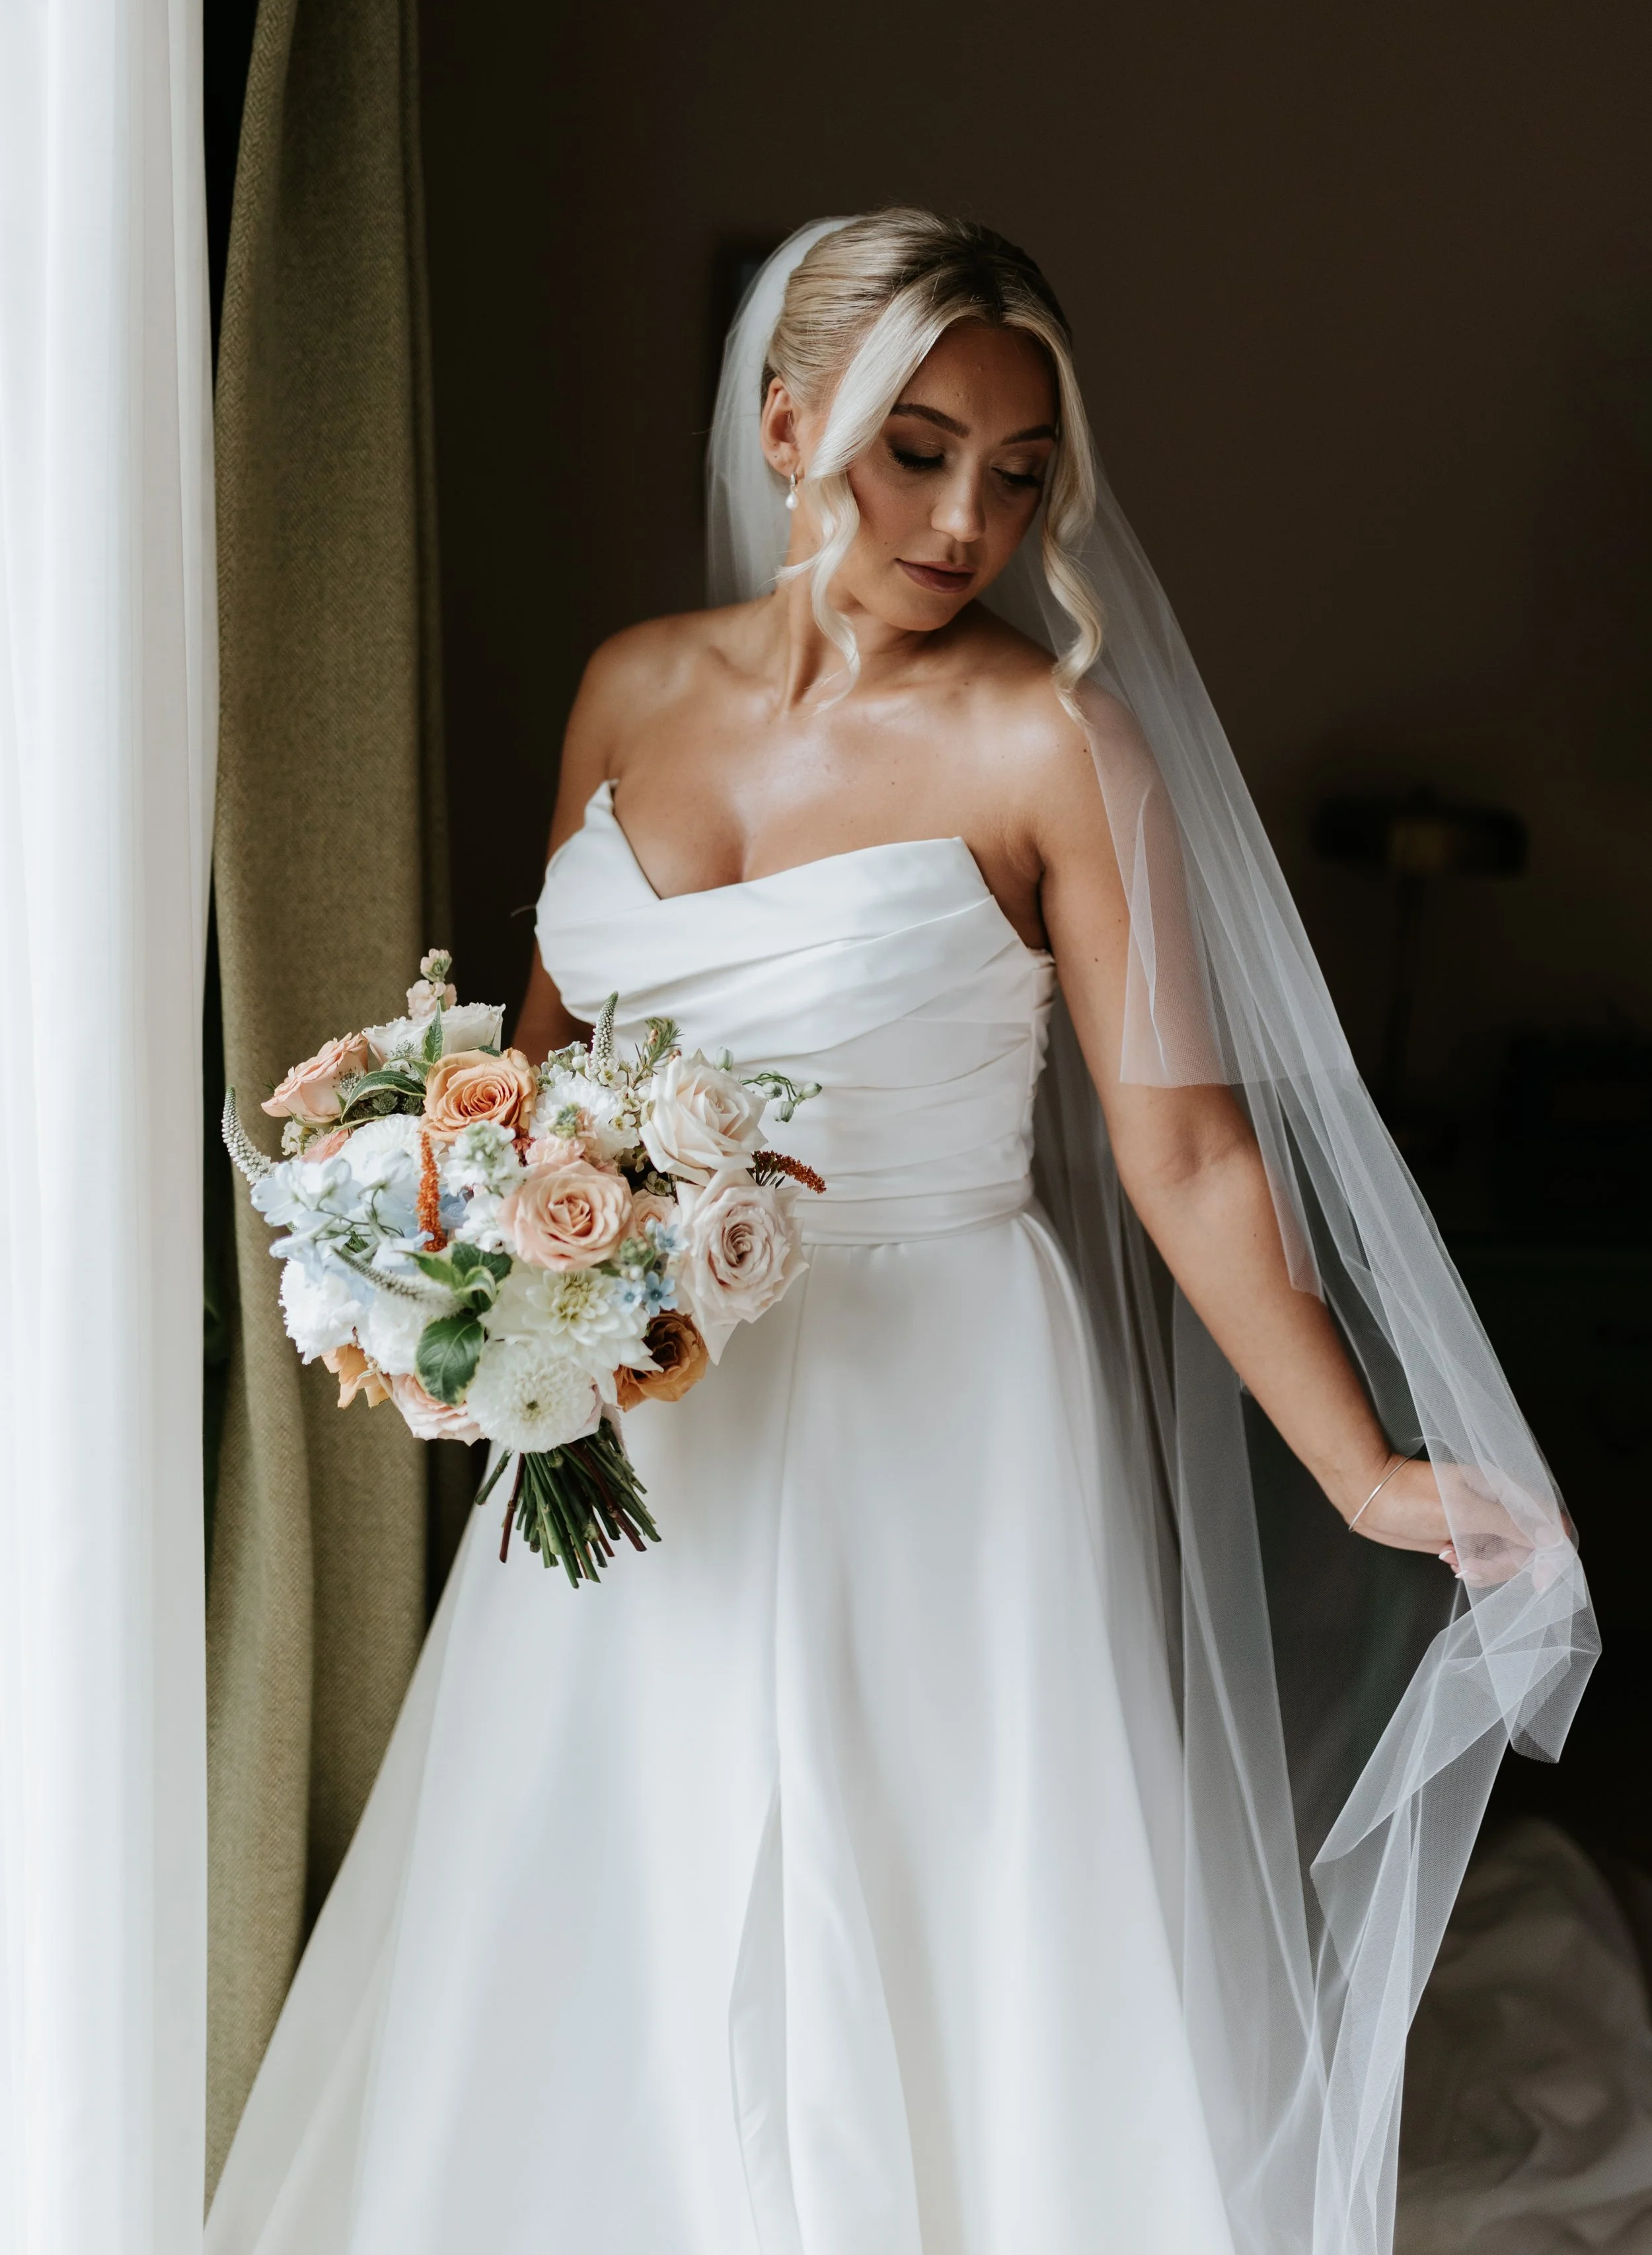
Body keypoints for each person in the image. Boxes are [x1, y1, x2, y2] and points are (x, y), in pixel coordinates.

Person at [207, 212, 1591, 2255]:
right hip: (650, 1388)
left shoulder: (1053, 743)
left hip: (938, 1388)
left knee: (933, 1879)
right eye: (914, 448)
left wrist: (1360, 1464)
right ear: (787, 427)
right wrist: (469, 1260)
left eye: (1018, 471)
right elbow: (539, 1063)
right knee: (611, 1845)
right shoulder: (626, 690)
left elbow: (1187, 1151)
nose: (968, 517)